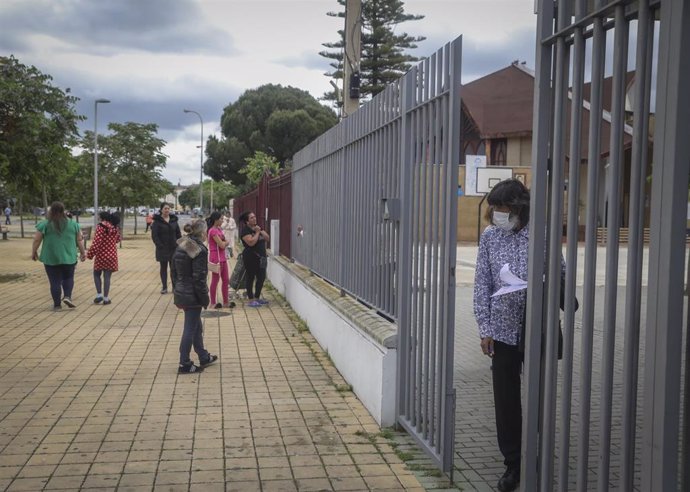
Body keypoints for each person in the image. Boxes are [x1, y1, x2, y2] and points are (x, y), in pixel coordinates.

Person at [473, 179, 530, 492]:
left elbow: (560, 273)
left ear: (518, 208)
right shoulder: (490, 237)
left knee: (536, 396)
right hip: (503, 330)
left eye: (503, 209)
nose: (497, 215)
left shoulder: (541, 234)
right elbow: (482, 283)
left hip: (536, 329)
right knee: (506, 401)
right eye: (494, 210)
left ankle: (534, 452)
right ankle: (513, 464)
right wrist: (485, 327)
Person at [173, 218, 218, 373]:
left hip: (182, 291)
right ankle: (184, 363)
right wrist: (205, 298)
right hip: (192, 294)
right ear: (203, 232)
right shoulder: (199, 250)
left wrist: (176, 288)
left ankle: (203, 356)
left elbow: (174, 270)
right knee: (190, 328)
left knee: (196, 326)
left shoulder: (183, 243)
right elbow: (199, 278)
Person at [31, 201, 86, 310]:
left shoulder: (45, 224)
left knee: (54, 281)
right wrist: (83, 253)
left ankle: (57, 305)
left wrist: (34, 252)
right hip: (69, 257)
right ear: (63, 211)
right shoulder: (73, 224)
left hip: (51, 257)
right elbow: (79, 240)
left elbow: (37, 239)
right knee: (68, 277)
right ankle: (67, 296)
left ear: (51, 211)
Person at [87, 211, 121, 305]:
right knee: (107, 277)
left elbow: (96, 242)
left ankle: (99, 295)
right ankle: (106, 298)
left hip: (101, 255)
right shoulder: (114, 226)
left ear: (102, 217)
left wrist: (90, 254)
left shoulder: (101, 226)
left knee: (96, 273)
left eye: (98, 216)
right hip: (112, 255)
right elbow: (118, 239)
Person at [239, 211, 270, 307]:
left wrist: (260, 231)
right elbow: (251, 242)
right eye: (251, 218)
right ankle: (251, 299)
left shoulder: (258, 227)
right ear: (247, 222)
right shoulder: (245, 231)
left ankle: (257, 297)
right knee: (251, 277)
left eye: (254, 217)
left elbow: (267, 238)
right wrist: (257, 232)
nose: (254, 219)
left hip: (262, 257)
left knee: (261, 277)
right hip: (250, 257)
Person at [151, 203, 181, 294]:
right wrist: (160, 245)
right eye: (165, 208)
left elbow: (178, 234)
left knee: (174, 269)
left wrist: (179, 245)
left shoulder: (174, 221)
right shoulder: (157, 222)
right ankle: (164, 287)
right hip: (162, 249)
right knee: (163, 268)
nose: (167, 210)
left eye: (168, 208)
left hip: (173, 248)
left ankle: (174, 287)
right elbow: (154, 236)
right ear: (161, 210)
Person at [207, 211, 230, 309]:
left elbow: (223, 243)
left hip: (223, 258)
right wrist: (226, 243)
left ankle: (225, 302)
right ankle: (212, 303)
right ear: (216, 220)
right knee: (215, 280)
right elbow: (222, 244)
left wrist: (225, 243)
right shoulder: (212, 231)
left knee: (226, 280)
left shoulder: (219, 229)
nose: (222, 220)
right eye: (221, 219)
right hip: (216, 258)